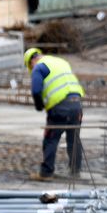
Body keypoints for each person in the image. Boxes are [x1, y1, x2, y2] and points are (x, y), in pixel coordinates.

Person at [24, 47, 85, 180]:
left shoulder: (39, 67)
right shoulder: (61, 62)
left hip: (60, 107)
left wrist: (39, 105)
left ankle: (46, 173)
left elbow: (36, 90)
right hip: (77, 104)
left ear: (30, 62)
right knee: (73, 139)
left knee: (51, 138)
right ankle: (75, 172)